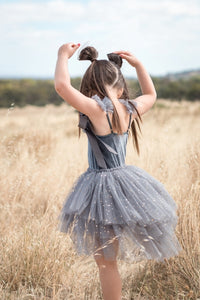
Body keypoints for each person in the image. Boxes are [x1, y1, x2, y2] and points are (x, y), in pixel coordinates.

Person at [54, 42, 181, 300]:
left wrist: (62, 56)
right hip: (125, 183)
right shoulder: (129, 109)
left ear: (90, 89)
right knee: (109, 259)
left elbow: (61, 87)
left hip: (102, 188)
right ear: (121, 86)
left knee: (106, 262)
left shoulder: (95, 109)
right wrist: (140, 66)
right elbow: (151, 95)